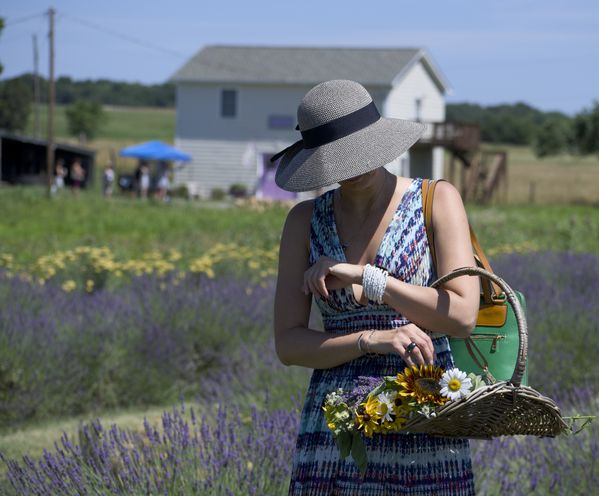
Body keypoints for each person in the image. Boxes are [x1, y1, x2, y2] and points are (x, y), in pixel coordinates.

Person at [273, 80, 480, 495]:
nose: (356, 165)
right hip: (337, 426)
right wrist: (371, 339)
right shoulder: (304, 220)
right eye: (342, 157)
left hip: (424, 411)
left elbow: (461, 316)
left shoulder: (436, 200)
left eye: (363, 148)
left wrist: (369, 279)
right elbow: (289, 345)